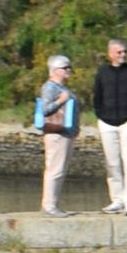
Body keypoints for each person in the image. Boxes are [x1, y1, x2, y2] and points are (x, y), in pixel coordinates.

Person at [92, 38, 127, 214]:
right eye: (119, 52)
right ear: (110, 54)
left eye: (125, 52)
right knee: (112, 163)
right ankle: (117, 200)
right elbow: (97, 95)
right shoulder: (102, 72)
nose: (123, 55)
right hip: (106, 122)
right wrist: (100, 114)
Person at [33, 54, 79, 213]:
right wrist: (61, 100)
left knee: (60, 170)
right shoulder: (50, 87)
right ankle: (49, 205)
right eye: (65, 68)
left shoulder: (62, 88)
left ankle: (52, 204)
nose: (69, 70)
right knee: (54, 169)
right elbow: (45, 109)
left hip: (66, 133)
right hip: (56, 133)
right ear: (55, 70)